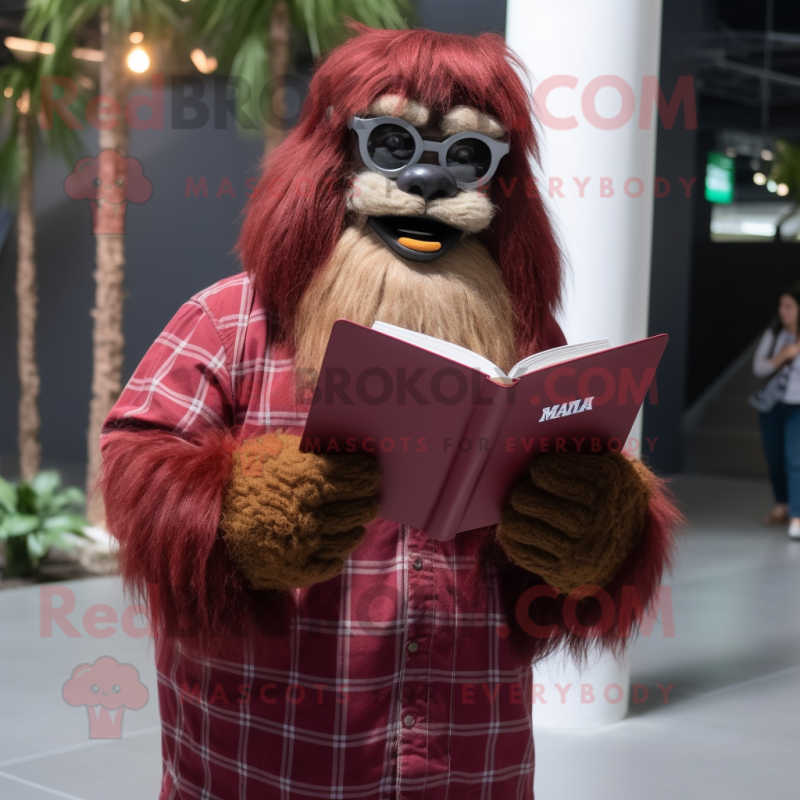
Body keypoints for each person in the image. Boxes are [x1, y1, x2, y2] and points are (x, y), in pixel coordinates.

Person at [98, 26, 680, 799]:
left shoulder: (530, 340)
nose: (431, 183)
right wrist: (229, 509)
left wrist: (602, 530)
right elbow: (136, 462)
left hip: (467, 763)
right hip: (267, 759)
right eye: (393, 143)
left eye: (469, 157)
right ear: (332, 159)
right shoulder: (232, 319)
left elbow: (589, 545)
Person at [751, 284, 800, 538]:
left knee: (795, 459)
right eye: (781, 305)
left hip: (797, 406)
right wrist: (783, 357)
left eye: (788, 306)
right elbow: (758, 368)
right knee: (774, 457)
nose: (782, 311)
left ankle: (796, 516)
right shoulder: (775, 334)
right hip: (771, 404)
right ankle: (783, 504)